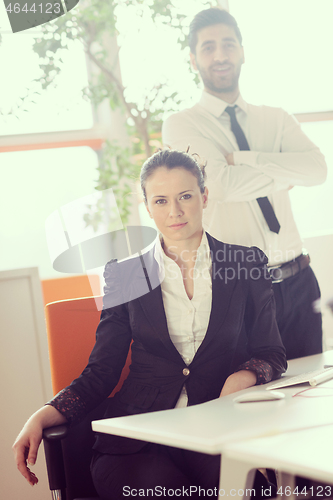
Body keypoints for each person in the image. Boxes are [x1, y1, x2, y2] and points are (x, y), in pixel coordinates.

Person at [13, 150, 286, 499]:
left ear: (204, 196)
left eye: (185, 196)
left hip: (218, 430)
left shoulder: (245, 262)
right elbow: (101, 372)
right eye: (161, 200)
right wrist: (41, 415)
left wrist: (240, 378)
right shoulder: (126, 275)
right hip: (138, 440)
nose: (175, 211)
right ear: (147, 206)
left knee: (249, 492)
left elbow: (271, 352)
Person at [162, 8, 327, 360]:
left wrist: (249, 159)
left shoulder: (276, 118)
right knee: (252, 399)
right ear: (193, 59)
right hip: (241, 286)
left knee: (312, 392)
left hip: (299, 279)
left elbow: (316, 171)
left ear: (242, 51)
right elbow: (221, 186)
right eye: (208, 48)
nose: (220, 55)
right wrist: (284, 174)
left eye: (228, 44)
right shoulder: (182, 125)